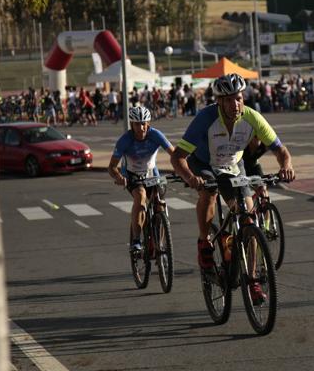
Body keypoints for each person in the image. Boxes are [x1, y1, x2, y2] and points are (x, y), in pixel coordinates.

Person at [170, 73, 295, 304]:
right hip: (204, 163)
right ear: (219, 101)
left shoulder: (252, 117)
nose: (234, 104)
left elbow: (280, 150)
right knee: (209, 192)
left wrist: (286, 165)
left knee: (249, 218)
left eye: (238, 98)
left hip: (232, 166)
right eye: (228, 99)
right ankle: (204, 242)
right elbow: (178, 157)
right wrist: (189, 177)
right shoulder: (205, 118)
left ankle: (253, 279)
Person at [108, 106, 175, 253]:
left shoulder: (156, 135)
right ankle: (137, 240)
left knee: (160, 204)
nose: (141, 127)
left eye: (144, 123)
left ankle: (160, 243)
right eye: (137, 124)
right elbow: (111, 167)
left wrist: (183, 170)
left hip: (152, 173)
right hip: (132, 174)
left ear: (148, 123)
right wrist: (119, 177)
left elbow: (174, 154)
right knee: (141, 197)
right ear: (132, 125)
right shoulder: (125, 140)